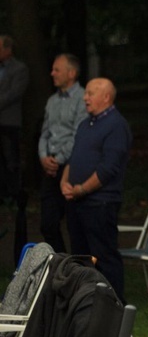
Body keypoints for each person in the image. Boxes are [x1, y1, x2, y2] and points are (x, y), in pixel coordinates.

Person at [61, 78, 132, 302]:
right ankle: (84, 303)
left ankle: (114, 305)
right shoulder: (86, 124)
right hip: (77, 202)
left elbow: (108, 168)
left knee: (104, 256)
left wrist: (82, 188)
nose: (85, 98)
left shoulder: (116, 126)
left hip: (100, 202)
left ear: (106, 97)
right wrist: (65, 181)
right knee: (80, 257)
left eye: (90, 94)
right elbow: (74, 158)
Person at [38, 53, 87, 252]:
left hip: (71, 168)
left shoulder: (83, 98)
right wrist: (43, 157)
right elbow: (44, 133)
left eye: (57, 69)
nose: (52, 73)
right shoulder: (52, 101)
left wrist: (58, 160)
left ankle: (78, 271)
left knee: (75, 226)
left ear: (71, 73)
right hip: (49, 168)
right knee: (47, 224)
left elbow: (78, 135)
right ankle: (61, 265)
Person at [0, 35, 29, 204]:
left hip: (9, 121)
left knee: (11, 158)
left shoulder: (19, 69)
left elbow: (14, 94)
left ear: (8, 49)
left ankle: (14, 193)